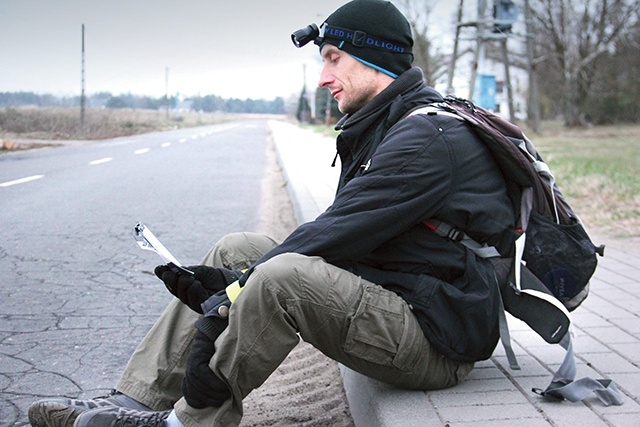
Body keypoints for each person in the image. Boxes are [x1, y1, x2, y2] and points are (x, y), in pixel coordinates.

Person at [28, 1, 515, 426]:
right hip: (400, 292)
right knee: (235, 248)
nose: (323, 78)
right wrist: (230, 279)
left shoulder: (424, 139)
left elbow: (335, 235)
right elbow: (339, 234)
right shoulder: (386, 124)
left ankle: (188, 422)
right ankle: (132, 401)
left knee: (281, 275)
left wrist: (226, 298)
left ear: (374, 58)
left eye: (333, 59)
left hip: (436, 340)